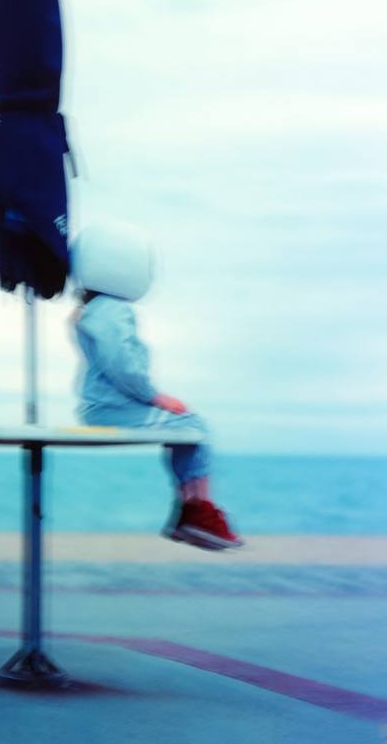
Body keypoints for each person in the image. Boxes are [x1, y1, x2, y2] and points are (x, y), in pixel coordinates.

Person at [70, 220, 242, 550]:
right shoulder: (111, 310)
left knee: (189, 429)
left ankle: (193, 510)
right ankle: (197, 511)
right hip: (115, 408)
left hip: (107, 406)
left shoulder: (95, 310)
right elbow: (121, 363)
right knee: (193, 428)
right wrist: (154, 397)